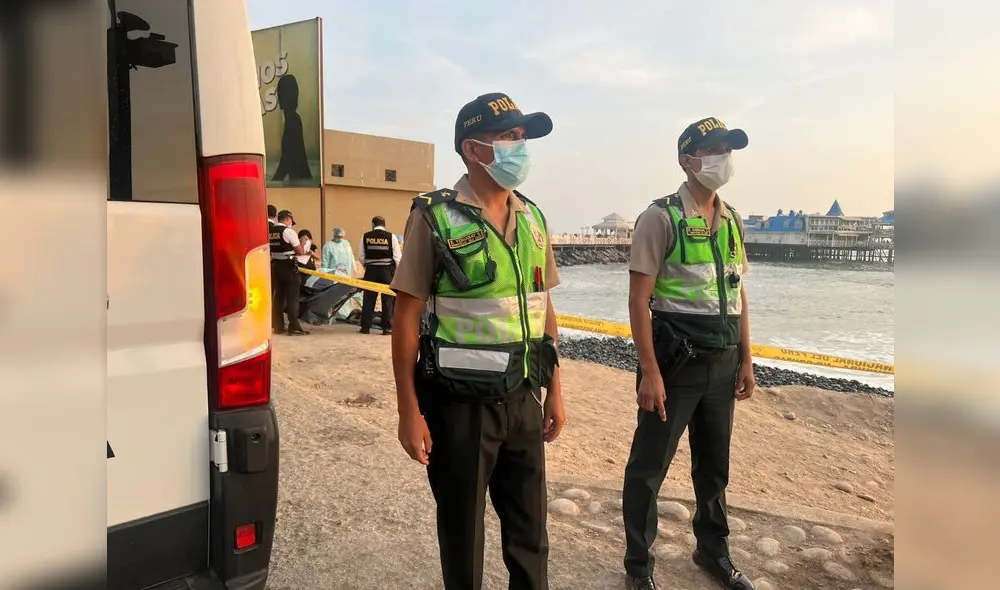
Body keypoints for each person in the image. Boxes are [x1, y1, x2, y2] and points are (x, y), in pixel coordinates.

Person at [389, 92, 566, 590]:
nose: (521, 145)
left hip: (524, 399)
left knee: (531, 534)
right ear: (473, 148)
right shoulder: (435, 218)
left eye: (522, 136)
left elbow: (543, 308)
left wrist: (556, 387)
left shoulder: (532, 218)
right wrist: (408, 410)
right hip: (459, 406)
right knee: (463, 536)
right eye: (509, 136)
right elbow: (406, 320)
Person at [622, 117, 756, 590]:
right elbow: (640, 300)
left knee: (714, 466)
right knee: (648, 468)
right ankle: (639, 567)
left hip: (722, 365)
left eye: (728, 148)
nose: (723, 157)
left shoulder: (734, 220)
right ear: (687, 159)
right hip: (675, 366)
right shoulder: (660, 218)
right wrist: (650, 373)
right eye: (713, 148)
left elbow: (739, 295)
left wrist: (746, 358)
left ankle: (712, 550)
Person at [358, 215, 401, 335]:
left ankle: (365, 327)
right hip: (387, 272)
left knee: (368, 299)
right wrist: (396, 272)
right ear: (384, 225)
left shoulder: (365, 236)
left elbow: (361, 257)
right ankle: (387, 328)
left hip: (371, 271)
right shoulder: (391, 236)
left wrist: (368, 266)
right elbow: (397, 257)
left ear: (373, 224)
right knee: (387, 300)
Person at [269, 209, 309, 335]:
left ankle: (278, 326)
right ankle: (294, 326)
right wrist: (303, 241)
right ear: (287, 220)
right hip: (288, 266)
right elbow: (300, 251)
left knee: (278, 297)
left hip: (276, 265)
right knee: (292, 297)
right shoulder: (288, 231)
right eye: (290, 221)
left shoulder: (270, 231)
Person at [321, 227, 362, 321]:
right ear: (334, 235)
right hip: (334, 277)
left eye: (341, 237)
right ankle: (336, 316)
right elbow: (325, 263)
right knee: (336, 298)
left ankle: (349, 314)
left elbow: (351, 258)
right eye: (338, 236)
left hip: (346, 275)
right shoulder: (328, 246)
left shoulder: (346, 244)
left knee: (351, 295)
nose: (340, 239)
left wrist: (354, 269)